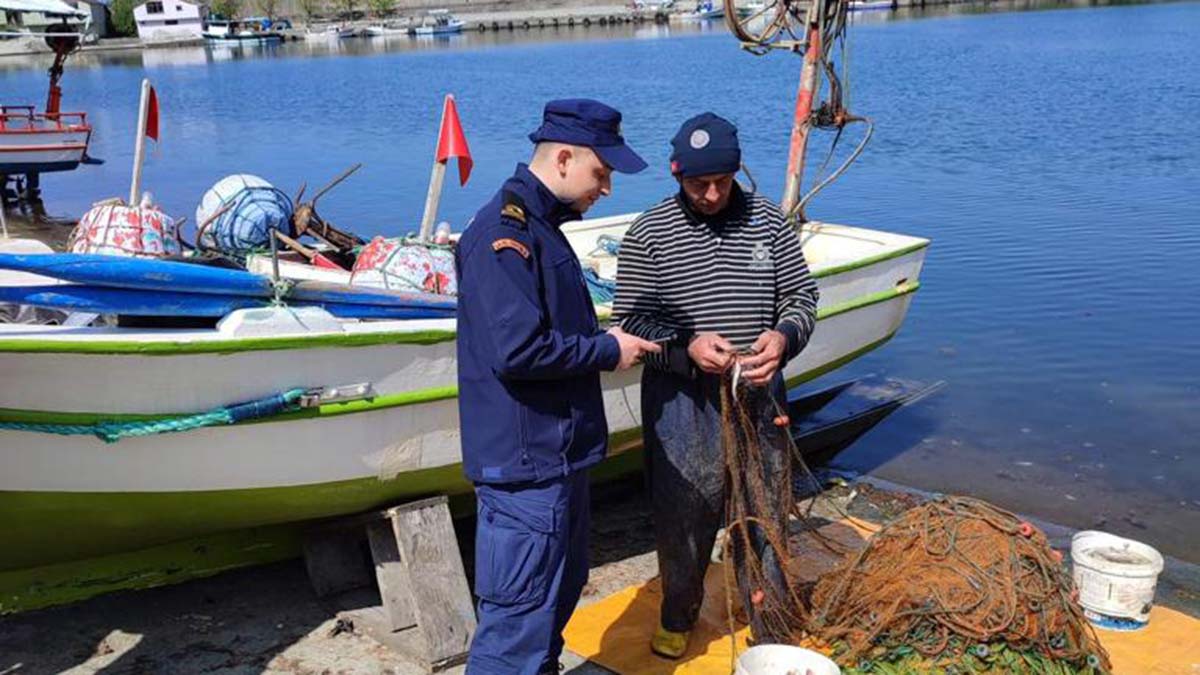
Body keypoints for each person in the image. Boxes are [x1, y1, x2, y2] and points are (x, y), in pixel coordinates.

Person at [455, 98, 662, 675]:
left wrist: (603, 335)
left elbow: (544, 330)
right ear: (565, 158)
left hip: (557, 459)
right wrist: (607, 349)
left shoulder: (543, 228)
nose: (607, 188)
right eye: (603, 173)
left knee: (552, 603)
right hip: (526, 470)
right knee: (516, 627)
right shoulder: (506, 234)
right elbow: (517, 350)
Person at [611, 112, 821, 658]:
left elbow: (802, 299)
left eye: (722, 183)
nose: (710, 194)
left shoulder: (771, 222)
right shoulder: (648, 233)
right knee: (683, 512)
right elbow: (631, 320)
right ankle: (678, 613)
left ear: (736, 172)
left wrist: (782, 338)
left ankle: (768, 622)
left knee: (764, 509)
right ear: (676, 175)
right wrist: (687, 347)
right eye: (697, 184)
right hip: (681, 401)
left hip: (758, 391)